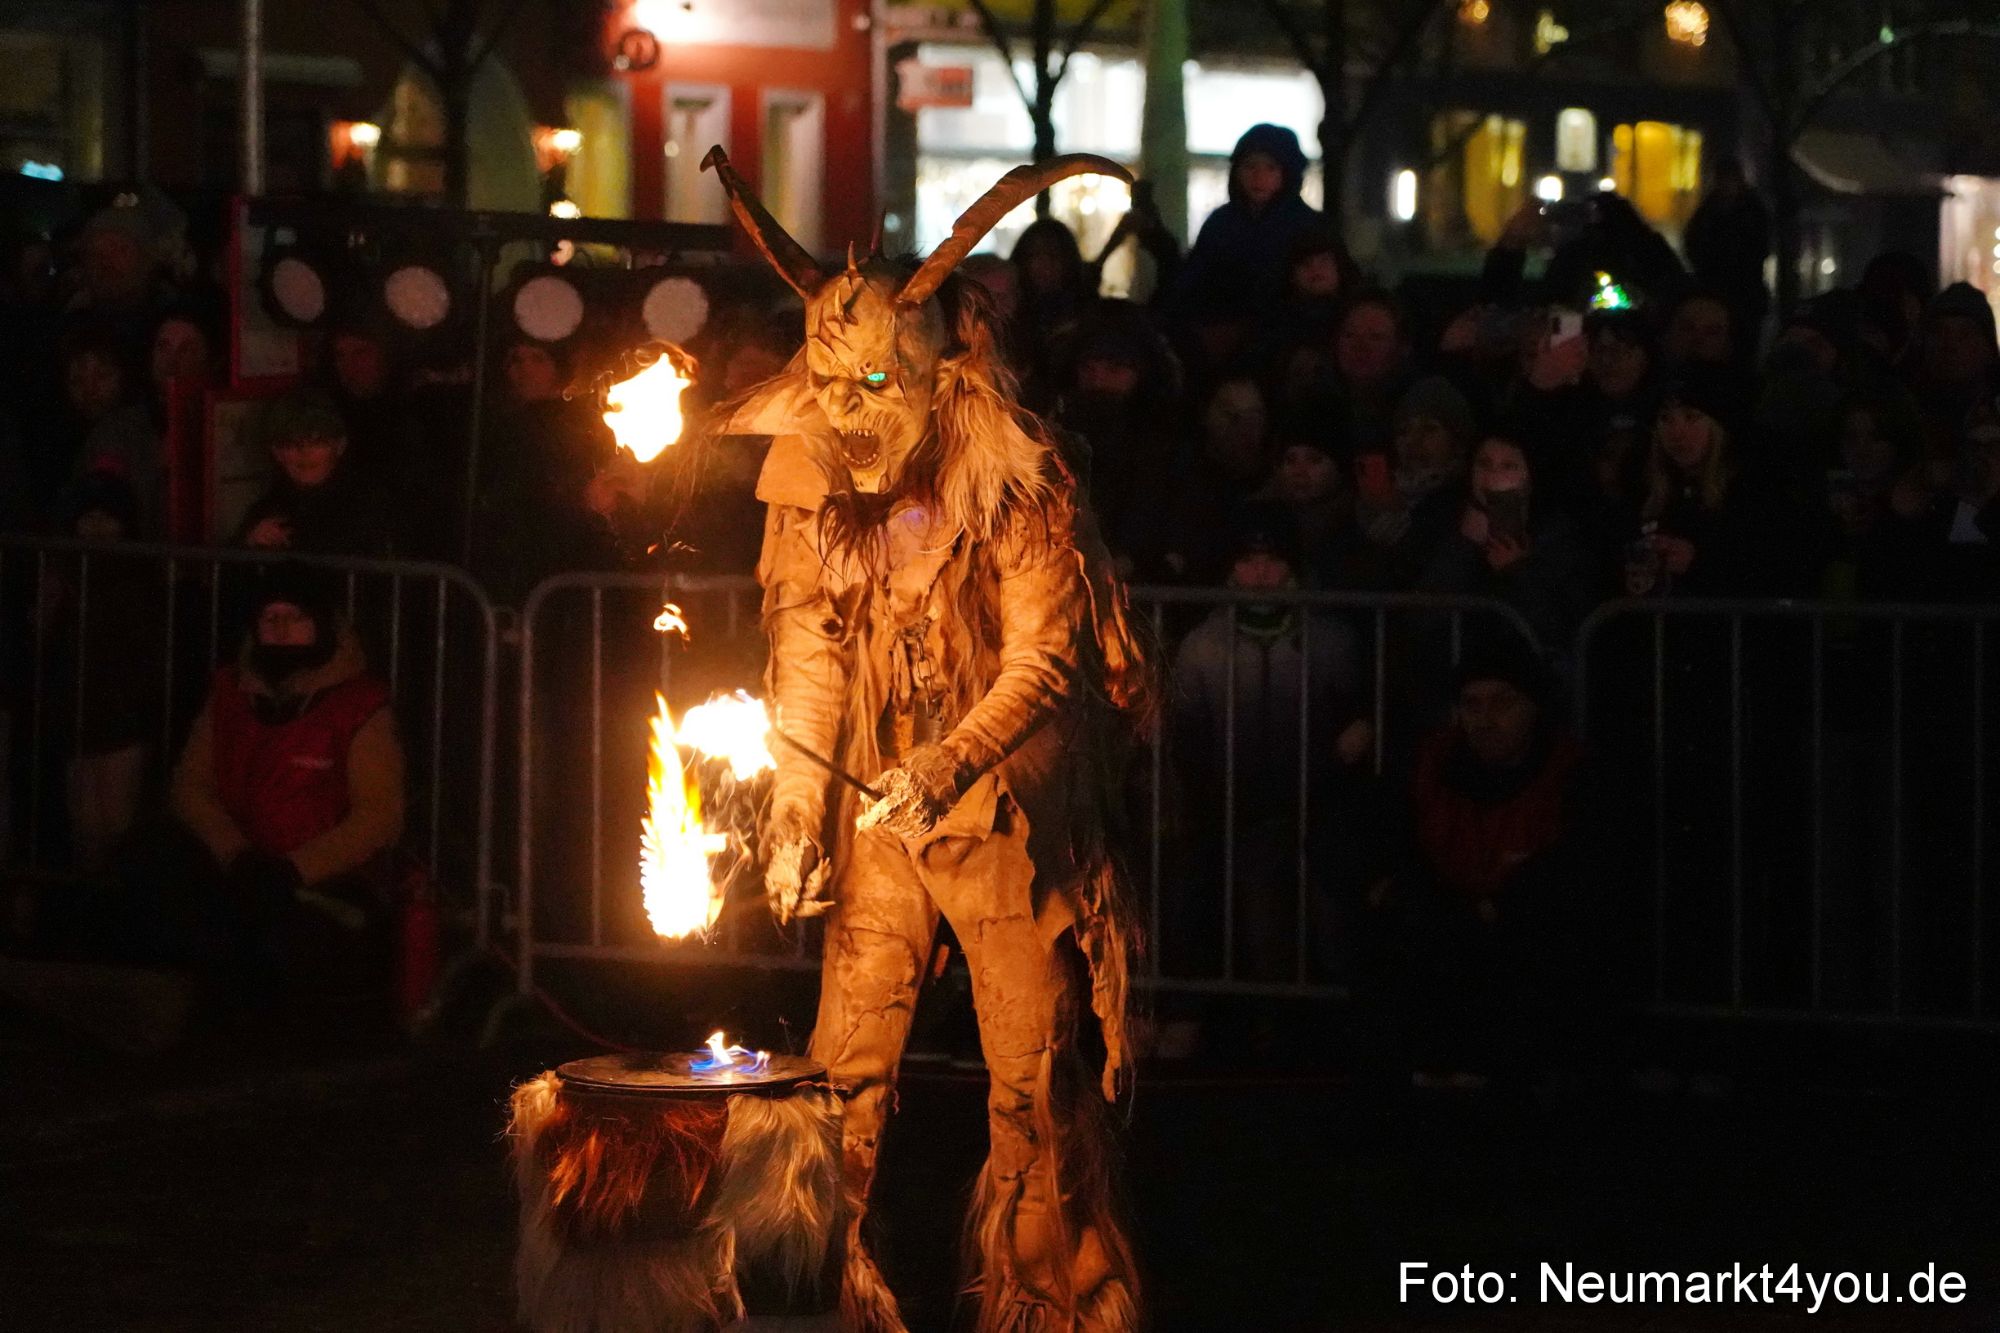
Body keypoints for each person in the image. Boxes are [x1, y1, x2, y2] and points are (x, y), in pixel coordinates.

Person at [711, 149, 1146, 1329]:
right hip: (878, 817)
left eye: (868, 387)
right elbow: (802, 652)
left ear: (929, 372)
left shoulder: (1012, 476)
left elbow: (1043, 659)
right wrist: (799, 809)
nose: (846, 416)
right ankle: (817, 1297)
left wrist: (950, 761)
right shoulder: (805, 467)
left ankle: (1052, 1301)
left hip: (1001, 808)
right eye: (825, 386)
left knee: (1032, 1077)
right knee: (840, 1068)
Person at [1359, 644, 1611, 1085]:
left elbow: (1580, 864)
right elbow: (1391, 836)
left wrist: (1499, 906)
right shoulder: (1432, 761)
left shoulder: (1570, 772)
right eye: (1472, 704)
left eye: (1502, 703)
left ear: (1532, 708)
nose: (1484, 718)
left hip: (1522, 934)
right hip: (1445, 918)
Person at [170, 565, 405, 1002]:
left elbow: (378, 814)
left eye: (294, 619)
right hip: (238, 860)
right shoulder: (231, 693)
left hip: (322, 877)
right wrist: (234, 852)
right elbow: (190, 784)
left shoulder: (358, 707)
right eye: (269, 619)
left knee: (291, 947)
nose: (280, 630)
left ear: (321, 626)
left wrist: (295, 869)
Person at [1168, 507, 1368, 981]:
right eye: (1248, 561)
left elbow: (1358, 713)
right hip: (1233, 805)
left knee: (1329, 915)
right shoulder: (1203, 646)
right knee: (1259, 916)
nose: (1261, 574)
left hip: (1318, 801)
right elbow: (1187, 730)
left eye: (1273, 561)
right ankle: (1273, 1015)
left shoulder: (1329, 641)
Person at [1418, 433, 1597, 652]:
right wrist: (1464, 545)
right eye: (1484, 464)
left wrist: (1517, 571)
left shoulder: (1557, 534)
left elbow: (1562, 629)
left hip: (1532, 671)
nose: (1493, 475)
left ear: (1530, 476)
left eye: (1509, 466)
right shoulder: (1444, 519)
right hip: (1465, 667)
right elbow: (1427, 618)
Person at [1169, 123, 1321, 367]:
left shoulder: (1307, 227)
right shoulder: (1220, 224)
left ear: (1287, 173)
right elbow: (1193, 281)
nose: (1258, 177)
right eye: (1250, 166)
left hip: (1283, 347)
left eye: (1271, 168)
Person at [233, 389, 397, 556]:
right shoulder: (266, 511)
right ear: (277, 452)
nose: (304, 452)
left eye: (317, 441)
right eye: (292, 444)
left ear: (340, 445)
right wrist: (250, 543)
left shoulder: (370, 504)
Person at [1683, 158, 1772, 348]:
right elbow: (1693, 244)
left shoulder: (1750, 212)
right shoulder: (1709, 213)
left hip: (1744, 292)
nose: (1726, 186)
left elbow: (1761, 246)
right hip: (1718, 290)